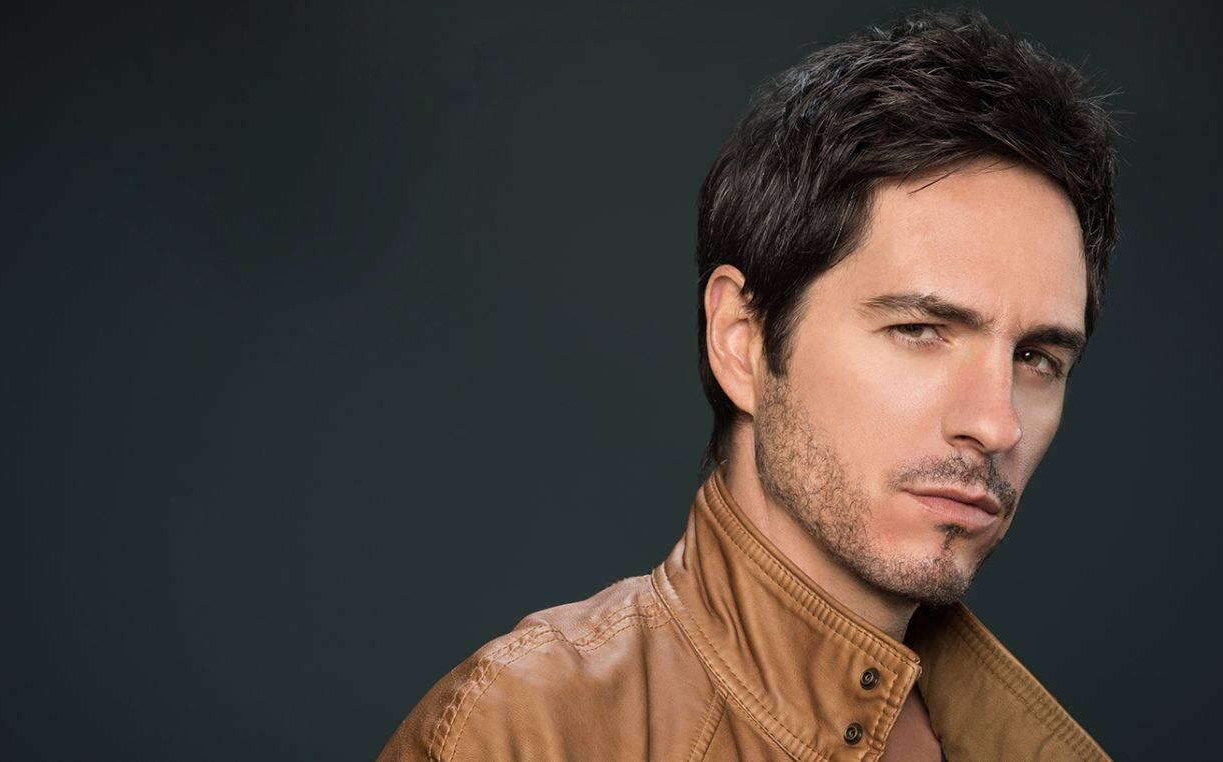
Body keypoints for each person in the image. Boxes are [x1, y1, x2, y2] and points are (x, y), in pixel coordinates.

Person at [378, 7, 1118, 760]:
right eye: (919, 330)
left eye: (1037, 359)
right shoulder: (528, 733)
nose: (996, 425)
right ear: (742, 342)